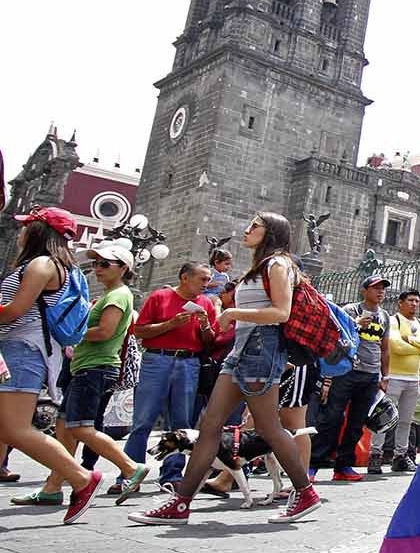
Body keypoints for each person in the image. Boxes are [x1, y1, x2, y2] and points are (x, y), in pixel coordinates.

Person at [128, 212, 320, 525]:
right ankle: (181, 503)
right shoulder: (259, 268)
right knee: (209, 426)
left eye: (255, 226)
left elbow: (281, 312)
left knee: (269, 427)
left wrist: (231, 313)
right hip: (241, 354)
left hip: (261, 351)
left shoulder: (278, 264)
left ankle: (305, 491)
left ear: (270, 232)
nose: (247, 229)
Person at [0, 207, 105, 522]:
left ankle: (81, 478)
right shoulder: (54, 266)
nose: (21, 232)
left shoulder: (43, 265)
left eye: (27, 226)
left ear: (41, 231)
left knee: (15, 429)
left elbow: (14, 311)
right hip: (19, 350)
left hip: (22, 349)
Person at [32, 240, 151, 506]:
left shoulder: (118, 295)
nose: (97, 268)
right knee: (64, 429)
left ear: (123, 268)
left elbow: (106, 331)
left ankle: (131, 467)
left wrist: (72, 333)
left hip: (95, 368)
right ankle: (53, 486)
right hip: (85, 367)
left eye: (104, 264)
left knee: (81, 427)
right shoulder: (111, 294)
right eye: (96, 263)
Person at [123, 261, 223, 481]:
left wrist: (206, 325)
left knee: (180, 422)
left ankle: (172, 475)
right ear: (184, 277)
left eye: (208, 279)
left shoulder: (205, 303)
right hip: (157, 359)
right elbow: (139, 331)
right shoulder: (160, 297)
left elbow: (211, 341)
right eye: (202, 279)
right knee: (143, 420)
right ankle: (130, 473)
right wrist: (171, 324)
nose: (207, 284)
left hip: (189, 363)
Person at [312, 275, 391, 481]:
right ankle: (313, 463)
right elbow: (337, 336)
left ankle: (344, 465)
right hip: (346, 371)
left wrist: (385, 375)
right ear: (364, 291)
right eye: (375, 288)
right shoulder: (349, 310)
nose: (380, 292)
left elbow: (385, 347)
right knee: (332, 417)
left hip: (371, 375)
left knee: (357, 422)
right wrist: (356, 324)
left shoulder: (384, 316)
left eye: (383, 288)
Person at [377, 289, 420, 472]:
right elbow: (395, 345)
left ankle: (400, 456)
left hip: (413, 378)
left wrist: (409, 339)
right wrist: (419, 347)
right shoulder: (393, 321)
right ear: (400, 302)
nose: (414, 304)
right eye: (411, 300)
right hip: (393, 377)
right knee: (383, 417)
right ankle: (375, 454)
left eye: (417, 301)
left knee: (406, 421)